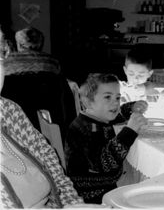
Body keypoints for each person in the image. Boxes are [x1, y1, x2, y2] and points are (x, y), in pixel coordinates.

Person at [0, 29, 85, 208]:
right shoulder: (53, 61)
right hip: (52, 117)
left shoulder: (9, 109)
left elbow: (53, 170)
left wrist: (72, 205)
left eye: (0, 53)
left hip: (28, 117)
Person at [64, 73, 148, 204]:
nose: (115, 102)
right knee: (146, 188)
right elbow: (105, 164)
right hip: (94, 195)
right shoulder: (88, 129)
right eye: (107, 97)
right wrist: (130, 131)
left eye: (117, 97)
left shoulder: (96, 117)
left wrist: (131, 107)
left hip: (107, 184)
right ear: (88, 102)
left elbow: (117, 114)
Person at [1, 27, 76, 142]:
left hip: (15, 121)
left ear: (19, 44)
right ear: (40, 44)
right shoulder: (52, 62)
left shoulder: (6, 63)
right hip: (48, 118)